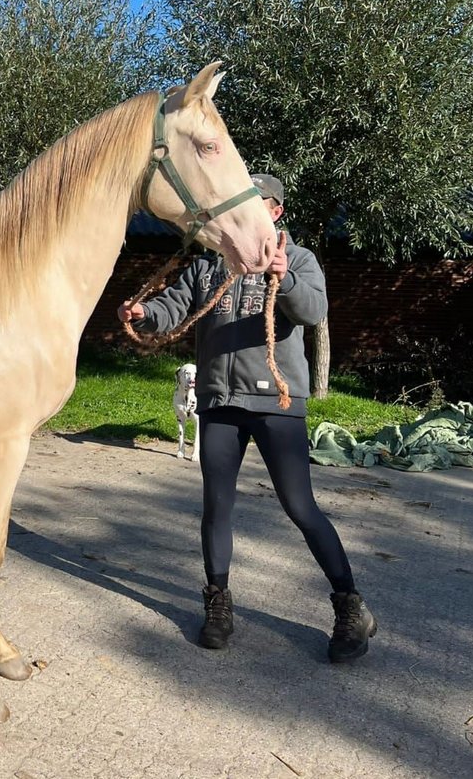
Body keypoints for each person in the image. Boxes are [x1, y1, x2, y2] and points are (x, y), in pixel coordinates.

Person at [118, 173, 377, 663]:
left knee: (300, 506)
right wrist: (144, 314)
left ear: (275, 212)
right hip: (220, 399)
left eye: (254, 204)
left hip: (275, 401)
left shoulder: (297, 259)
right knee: (216, 506)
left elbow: (314, 308)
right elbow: (174, 307)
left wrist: (287, 275)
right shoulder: (211, 265)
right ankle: (218, 604)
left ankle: (350, 606)